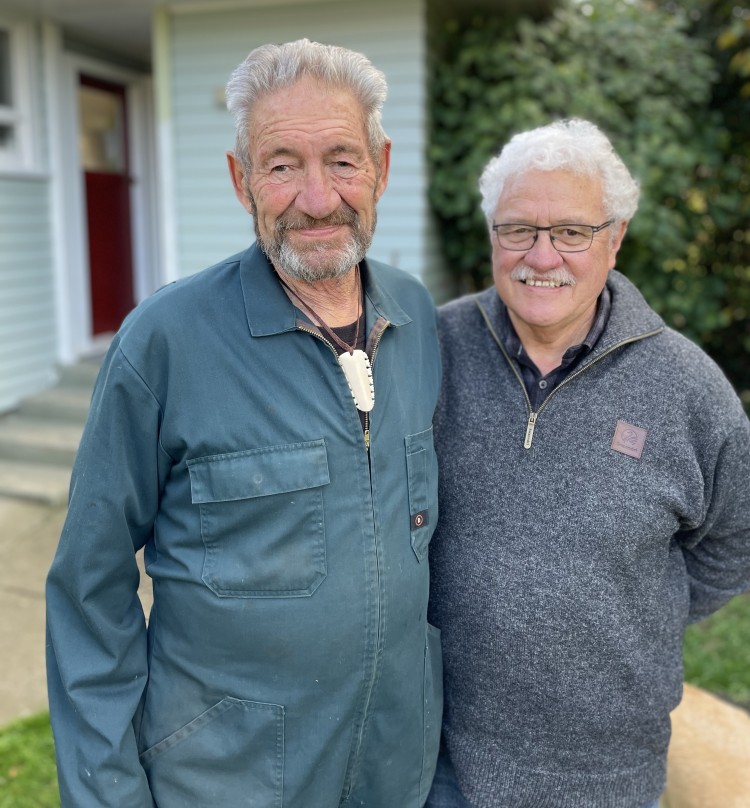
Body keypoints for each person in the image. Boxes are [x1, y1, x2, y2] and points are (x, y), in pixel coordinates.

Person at [46, 39, 442, 808]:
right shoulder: (165, 341)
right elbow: (89, 591)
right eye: (282, 164)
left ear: (382, 168)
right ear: (241, 180)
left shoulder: (418, 319)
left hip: (396, 772)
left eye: (342, 160)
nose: (317, 198)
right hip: (226, 782)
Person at [426, 118, 750, 808]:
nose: (542, 257)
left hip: (608, 777)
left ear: (615, 238)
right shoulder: (431, 351)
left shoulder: (688, 388)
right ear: (491, 236)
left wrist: (632, 608)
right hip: (441, 758)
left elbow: (733, 539)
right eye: (518, 230)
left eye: (571, 232)